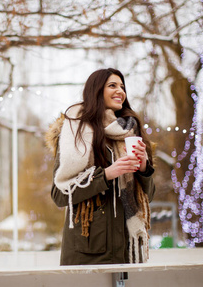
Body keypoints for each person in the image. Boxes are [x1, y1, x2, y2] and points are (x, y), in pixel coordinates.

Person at [46, 68, 155, 265]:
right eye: (112, 85)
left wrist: (144, 168)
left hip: (127, 251)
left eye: (122, 86)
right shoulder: (74, 133)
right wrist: (106, 175)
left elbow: (148, 196)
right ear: (96, 90)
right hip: (88, 253)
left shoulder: (132, 131)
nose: (120, 91)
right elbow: (59, 195)